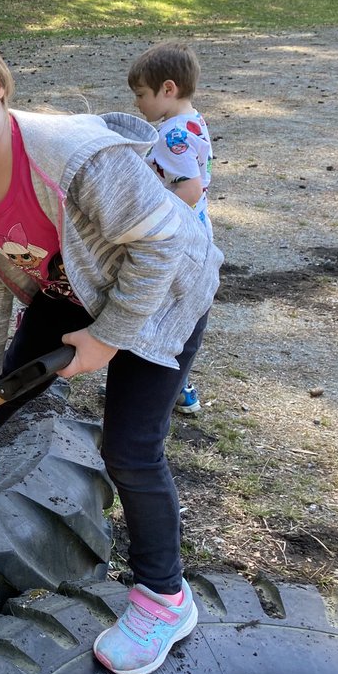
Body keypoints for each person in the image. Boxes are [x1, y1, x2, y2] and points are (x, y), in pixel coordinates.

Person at [0, 4, 223, 674]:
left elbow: (167, 244)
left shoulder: (76, 159)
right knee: (9, 373)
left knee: (130, 447)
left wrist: (107, 339)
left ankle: (164, 596)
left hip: (163, 297)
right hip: (70, 289)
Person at [129, 41, 214, 415]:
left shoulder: (172, 136)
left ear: (168, 89)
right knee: (175, 318)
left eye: (141, 95)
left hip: (177, 243)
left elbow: (190, 189)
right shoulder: (191, 121)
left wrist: (154, 214)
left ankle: (171, 387)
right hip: (195, 235)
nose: (137, 103)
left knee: (162, 317)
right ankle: (177, 386)